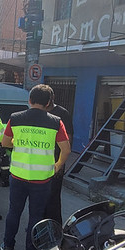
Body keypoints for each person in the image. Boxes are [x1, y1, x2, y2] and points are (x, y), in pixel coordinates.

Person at [0, 84, 71, 250]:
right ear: (48, 103)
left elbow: (5, 143)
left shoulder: (15, 118)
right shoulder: (56, 121)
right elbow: (66, 149)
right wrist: (58, 165)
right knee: (36, 216)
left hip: (17, 176)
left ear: (30, 100)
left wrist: (20, 142)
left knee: (14, 212)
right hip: (42, 180)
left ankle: (8, 247)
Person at [44, 89, 74, 224]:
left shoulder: (62, 113)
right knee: (40, 197)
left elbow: (69, 138)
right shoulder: (39, 112)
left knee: (53, 198)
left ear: (52, 97)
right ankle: (40, 226)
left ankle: (54, 228)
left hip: (56, 161)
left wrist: (61, 163)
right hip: (40, 162)